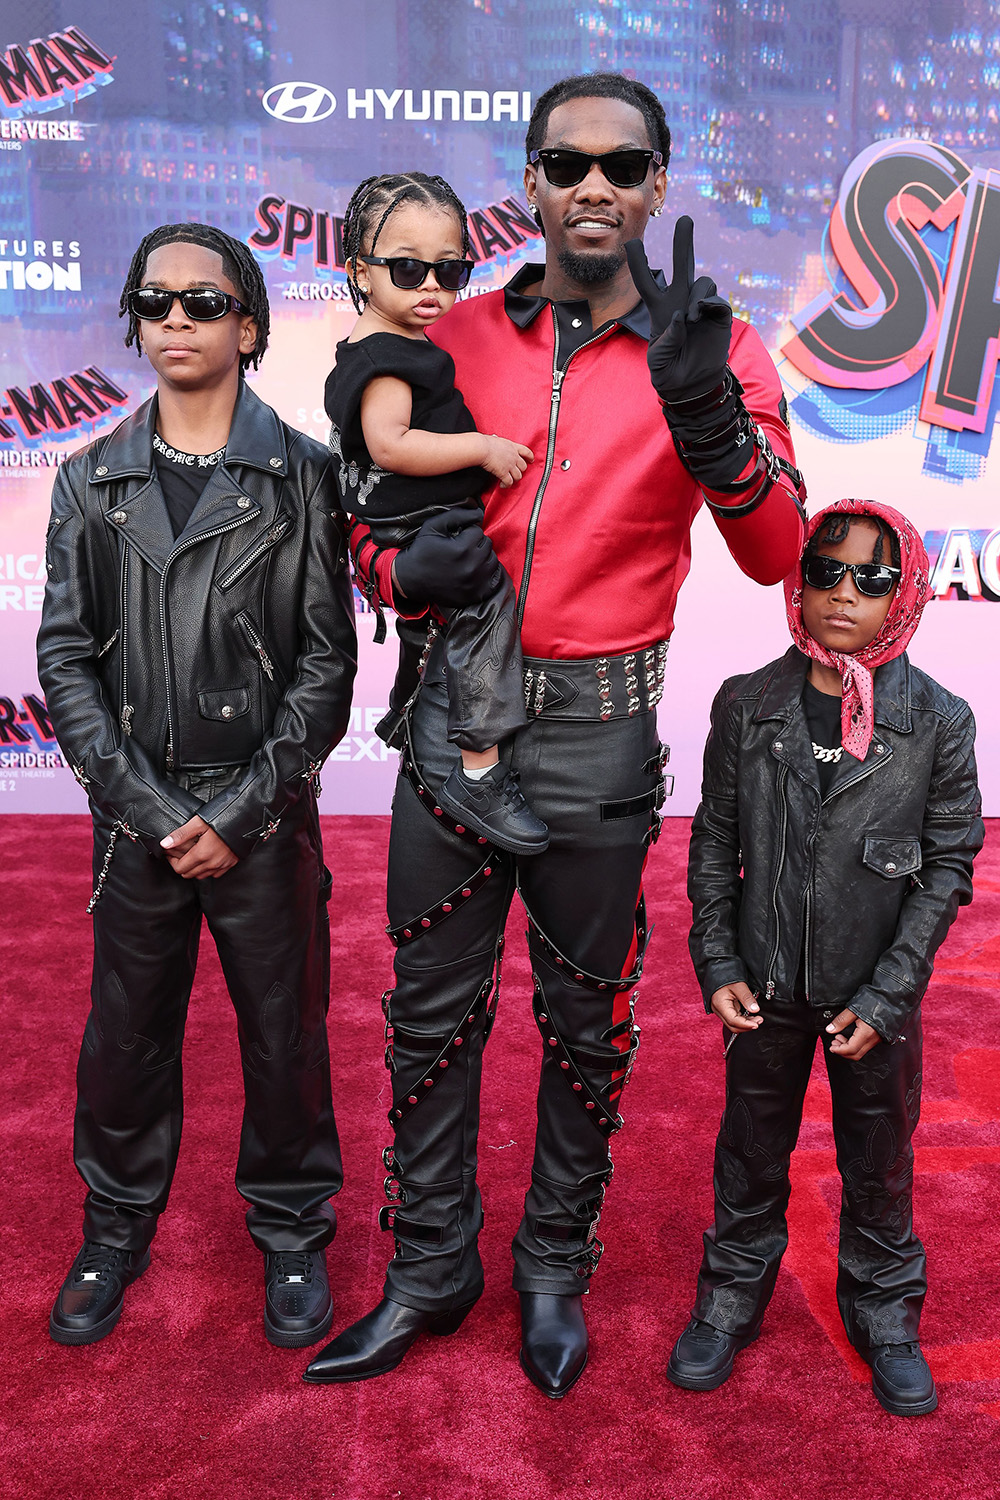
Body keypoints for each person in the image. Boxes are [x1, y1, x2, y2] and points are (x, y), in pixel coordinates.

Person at [304, 72, 806, 1397]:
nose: (594, 185)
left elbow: (779, 553)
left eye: (621, 166)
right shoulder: (452, 330)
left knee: (588, 1025)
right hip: (448, 726)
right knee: (428, 1016)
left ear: (657, 185)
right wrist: (393, 569)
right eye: (566, 163)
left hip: (603, 739)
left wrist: (709, 418)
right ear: (527, 182)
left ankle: (550, 1272)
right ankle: (430, 1269)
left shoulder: (719, 346)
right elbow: (366, 508)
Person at [37, 223, 357, 1350]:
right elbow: (64, 659)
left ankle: (292, 1232)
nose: (177, 317)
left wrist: (239, 812)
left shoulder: (304, 476)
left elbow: (326, 667)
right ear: (135, 323)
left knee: (283, 1035)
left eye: (204, 301)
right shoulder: (89, 478)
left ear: (249, 326)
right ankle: (113, 1231)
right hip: (138, 817)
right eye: (155, 301)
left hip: (260, 813)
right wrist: (150, 810)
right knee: (124, 1036)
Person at [669, 499, 983, 1416]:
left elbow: (948, 866)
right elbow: (714, 837)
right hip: (762, 987)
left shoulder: (939, 720)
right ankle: (730, 1298)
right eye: (826, 571)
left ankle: (885, 1313)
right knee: (748, 1152)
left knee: (879, 1161)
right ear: (798, 582)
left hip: (873, 993)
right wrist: (717, 961)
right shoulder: (747, 703)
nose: (845, 593)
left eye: (873, 578)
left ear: (905, 593)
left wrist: (889, 995)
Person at [325, 169, 547, 856]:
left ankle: (404, 712)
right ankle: (480, 770)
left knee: (433, 630)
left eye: (449, 271)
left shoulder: (384, 340)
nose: (430, 287)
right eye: (408, 268)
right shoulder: (389, 360)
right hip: (421, 524)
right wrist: (482, 448)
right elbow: (390, 445)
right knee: (487, 610)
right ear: (360, 271)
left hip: (415, 523)